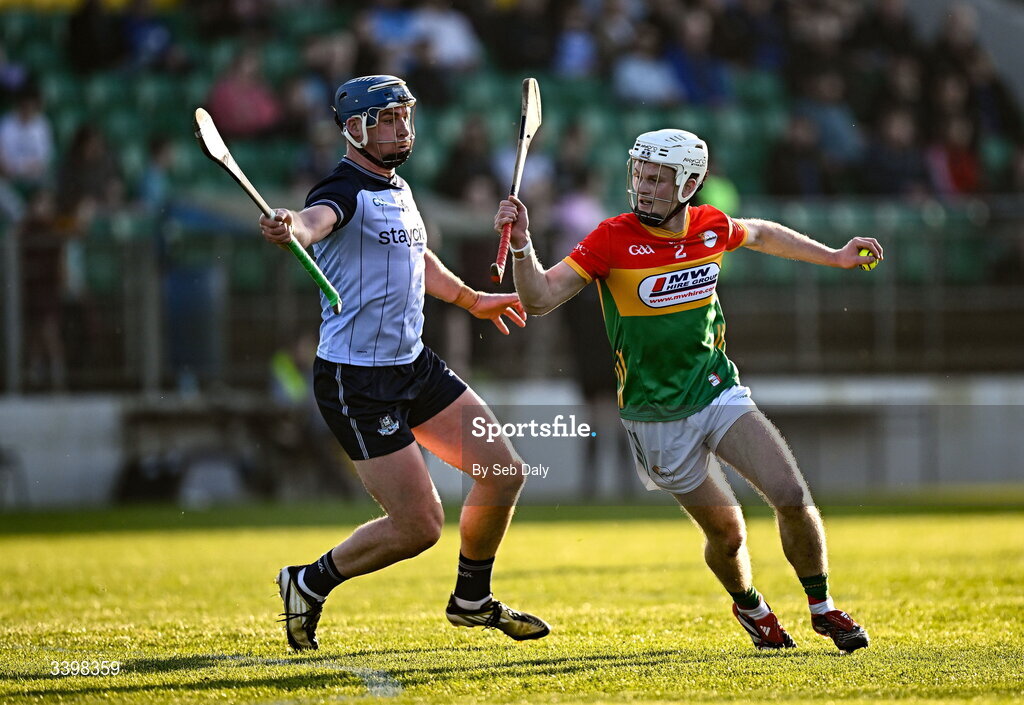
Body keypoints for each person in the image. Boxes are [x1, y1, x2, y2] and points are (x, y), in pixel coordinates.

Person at [495, 128, 881, 653]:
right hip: (655, 415)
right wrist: (522, 244)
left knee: (790, 495)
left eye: (657, 179)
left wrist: (834, 256)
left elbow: (761, 233)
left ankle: (823, 607)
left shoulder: (710, 226)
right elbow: (539, 299)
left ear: (689, 184)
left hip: (717, 390)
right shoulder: (610, 238)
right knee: (729, 535)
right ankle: (750, 606)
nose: (644, 187)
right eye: (640, 175)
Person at [259, 75, 550, 651]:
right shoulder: (342, 189)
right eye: (388, 120)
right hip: (357, 382)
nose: (402, 129)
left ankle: (472, 599)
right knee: (420, 527)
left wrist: (472, 299)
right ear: (354, 129)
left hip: (413, 366)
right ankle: (308, 582)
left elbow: (417, 256)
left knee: (503, 472)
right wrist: (290, 226)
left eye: (405, 117)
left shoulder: (398, 188)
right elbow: (314, 221)